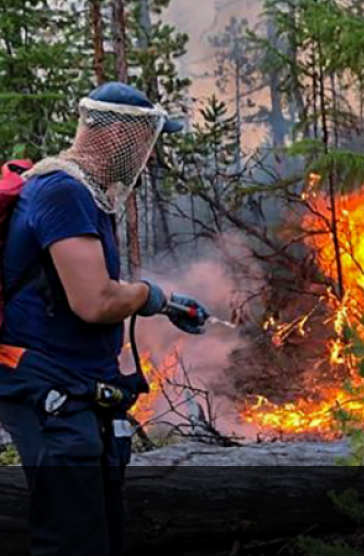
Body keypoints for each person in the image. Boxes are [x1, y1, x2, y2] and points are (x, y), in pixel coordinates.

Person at [0, 83, 211, 556]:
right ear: (118, 134)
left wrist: (166, 303)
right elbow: (94, 301)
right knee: (73, 542)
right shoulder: (63, 192)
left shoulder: (82, 192)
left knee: (101, 535)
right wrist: (150, 295)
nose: (149, 153)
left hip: (74, 390)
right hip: (48, 390)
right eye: (146, 138)